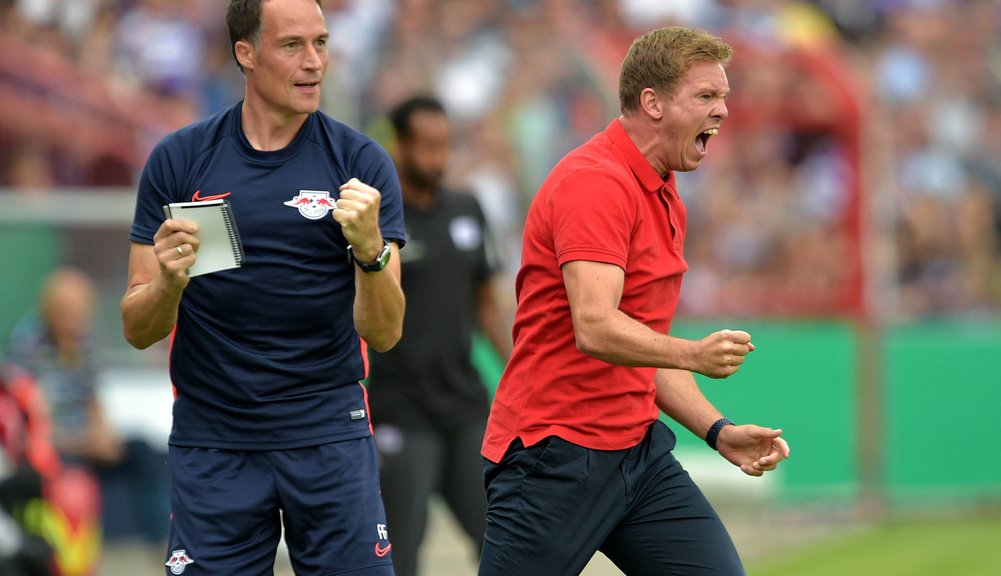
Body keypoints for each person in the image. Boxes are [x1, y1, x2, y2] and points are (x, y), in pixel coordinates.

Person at [479, 26, 791, 576]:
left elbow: (646, 350)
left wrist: (720, 433)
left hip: (636, 454)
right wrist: (694, 354)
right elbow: (596, 327)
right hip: (555, 455)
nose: (722, 111)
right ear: (652, 103)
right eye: (705, 97)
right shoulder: (595, 182)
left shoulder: (665, 189)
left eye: (722, 97)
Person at [119, 0, 405, 574]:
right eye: (292, 45)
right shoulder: (179, 160)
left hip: (328, 435)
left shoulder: (360, 163)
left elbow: (386, 332)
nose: (314, 62)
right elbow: (136, 327)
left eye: (321, 43)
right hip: (214, 443)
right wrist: (170, 282)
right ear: (245, 54)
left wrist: (371, 251)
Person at [368, 95, 511, 576]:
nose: (438, 157)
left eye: (445, 145)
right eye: (427, 146)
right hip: (401, 410)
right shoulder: (380, 221)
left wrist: (522, 374)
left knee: (507, 539)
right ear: (400, 147)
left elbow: (489, 304)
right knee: (401, 553)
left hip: (466, 405)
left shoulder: (468, 208)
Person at [4, 266, 169, 545]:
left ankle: (163, 543)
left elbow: (92, 396)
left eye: (81, 312)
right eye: (67, 313)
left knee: (144, 453)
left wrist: (103, 435)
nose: (75, 320)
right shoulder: (27, 346)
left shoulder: (86, 340)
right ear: (50, 310)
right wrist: (78, 442)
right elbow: (28, 416)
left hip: (86, 441)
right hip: (51, 449)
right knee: (68, 477)